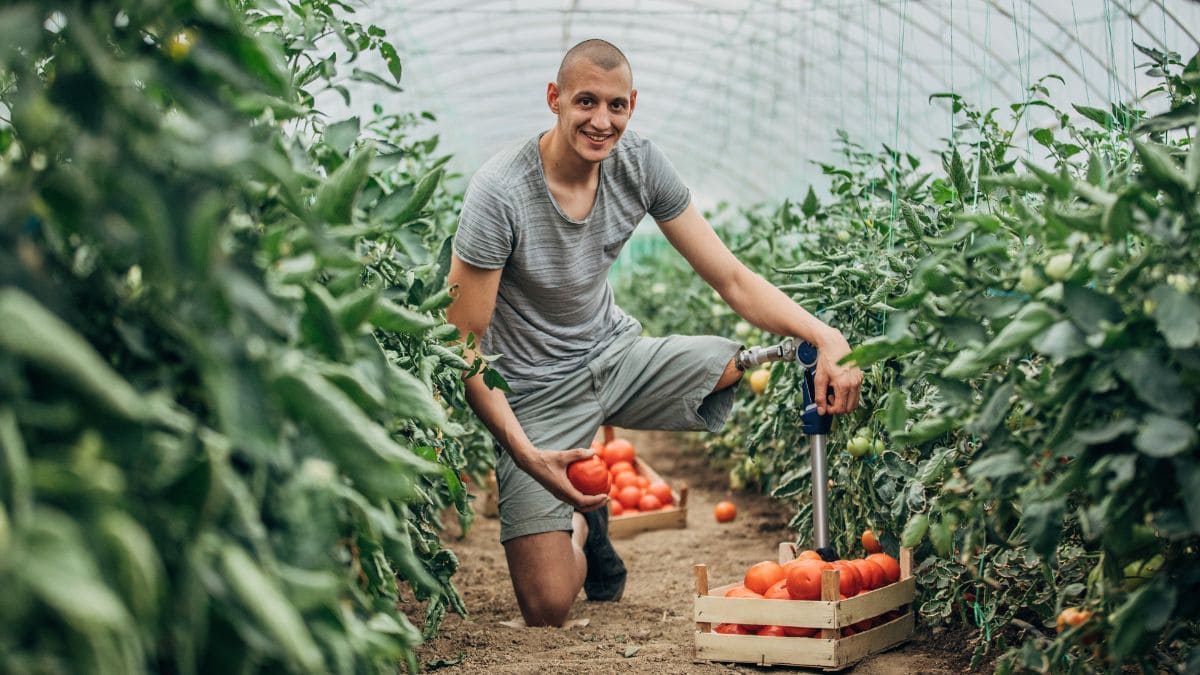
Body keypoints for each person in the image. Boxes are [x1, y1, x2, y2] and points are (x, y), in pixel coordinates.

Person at [446, 38, 863, 628]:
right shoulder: (500, 193)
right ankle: (586, 524)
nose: (601, 120)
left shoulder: (638, 162)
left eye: (616, 106)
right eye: (585, 101)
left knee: (734, 365)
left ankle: (589, 485)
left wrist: (825, 335)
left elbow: (733, 279)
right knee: (547, 608)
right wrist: (524, 451)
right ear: (554, 99)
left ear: (632, 105)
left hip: (615, 357)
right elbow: (464, 343)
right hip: (535, 395)